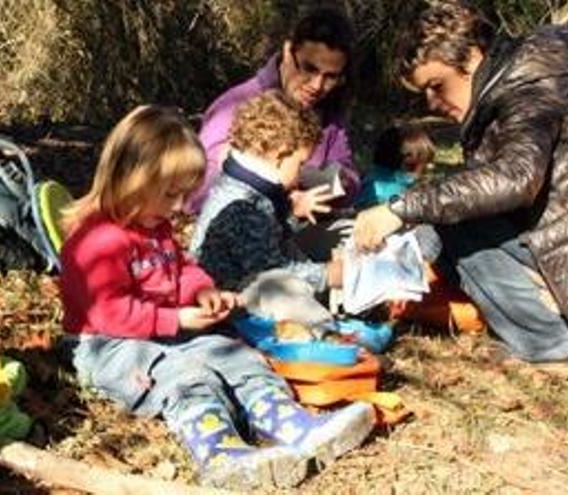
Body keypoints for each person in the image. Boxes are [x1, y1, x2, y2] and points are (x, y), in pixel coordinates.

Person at [58, 105, 373, 490]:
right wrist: (175, 320)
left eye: (183, 195)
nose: (178, 207)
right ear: (131, 179)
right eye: (170, 194)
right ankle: (220, 451)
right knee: (184, 376)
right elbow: (107, 311)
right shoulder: (97, 241)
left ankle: (289, 422)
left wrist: (201, 291)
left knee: (236, 355)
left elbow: (181, 267)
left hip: (163, 327)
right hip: (109, 344)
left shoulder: (153, 225)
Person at [353, 0, 568, 362]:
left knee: (454, 217)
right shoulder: (522, 73)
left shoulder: (530, 85)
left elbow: (515, 178)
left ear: (471, 56)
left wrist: (401, 209)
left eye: (437, 85)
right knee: (448, 212)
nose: (432, 102)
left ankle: (549, 343)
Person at [186, 6, 360, 214]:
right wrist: (284, 201)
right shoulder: (236, 106)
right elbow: (195, 192)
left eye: (330, 77)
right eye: (309, 68)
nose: (317, 85)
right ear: (288, 52)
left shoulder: (329, 114)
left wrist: (343, 182)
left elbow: (349, 176)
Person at [190, 91, 342, 327]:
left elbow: (269, 239)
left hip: (254, 275)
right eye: (300, 164)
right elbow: (272, 273)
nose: (301, 172)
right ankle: (326, 337)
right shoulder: (242, 205)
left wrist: (293, 214)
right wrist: (328, 275)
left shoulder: (248, 185)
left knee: (329, 237)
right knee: (283, 291)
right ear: (280, 155)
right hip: (233, 300)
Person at [355, 124, 435, 208]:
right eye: (424, 165)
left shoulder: (370, 182)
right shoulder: (398, 195)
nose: (430, 167)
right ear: (406, 166)